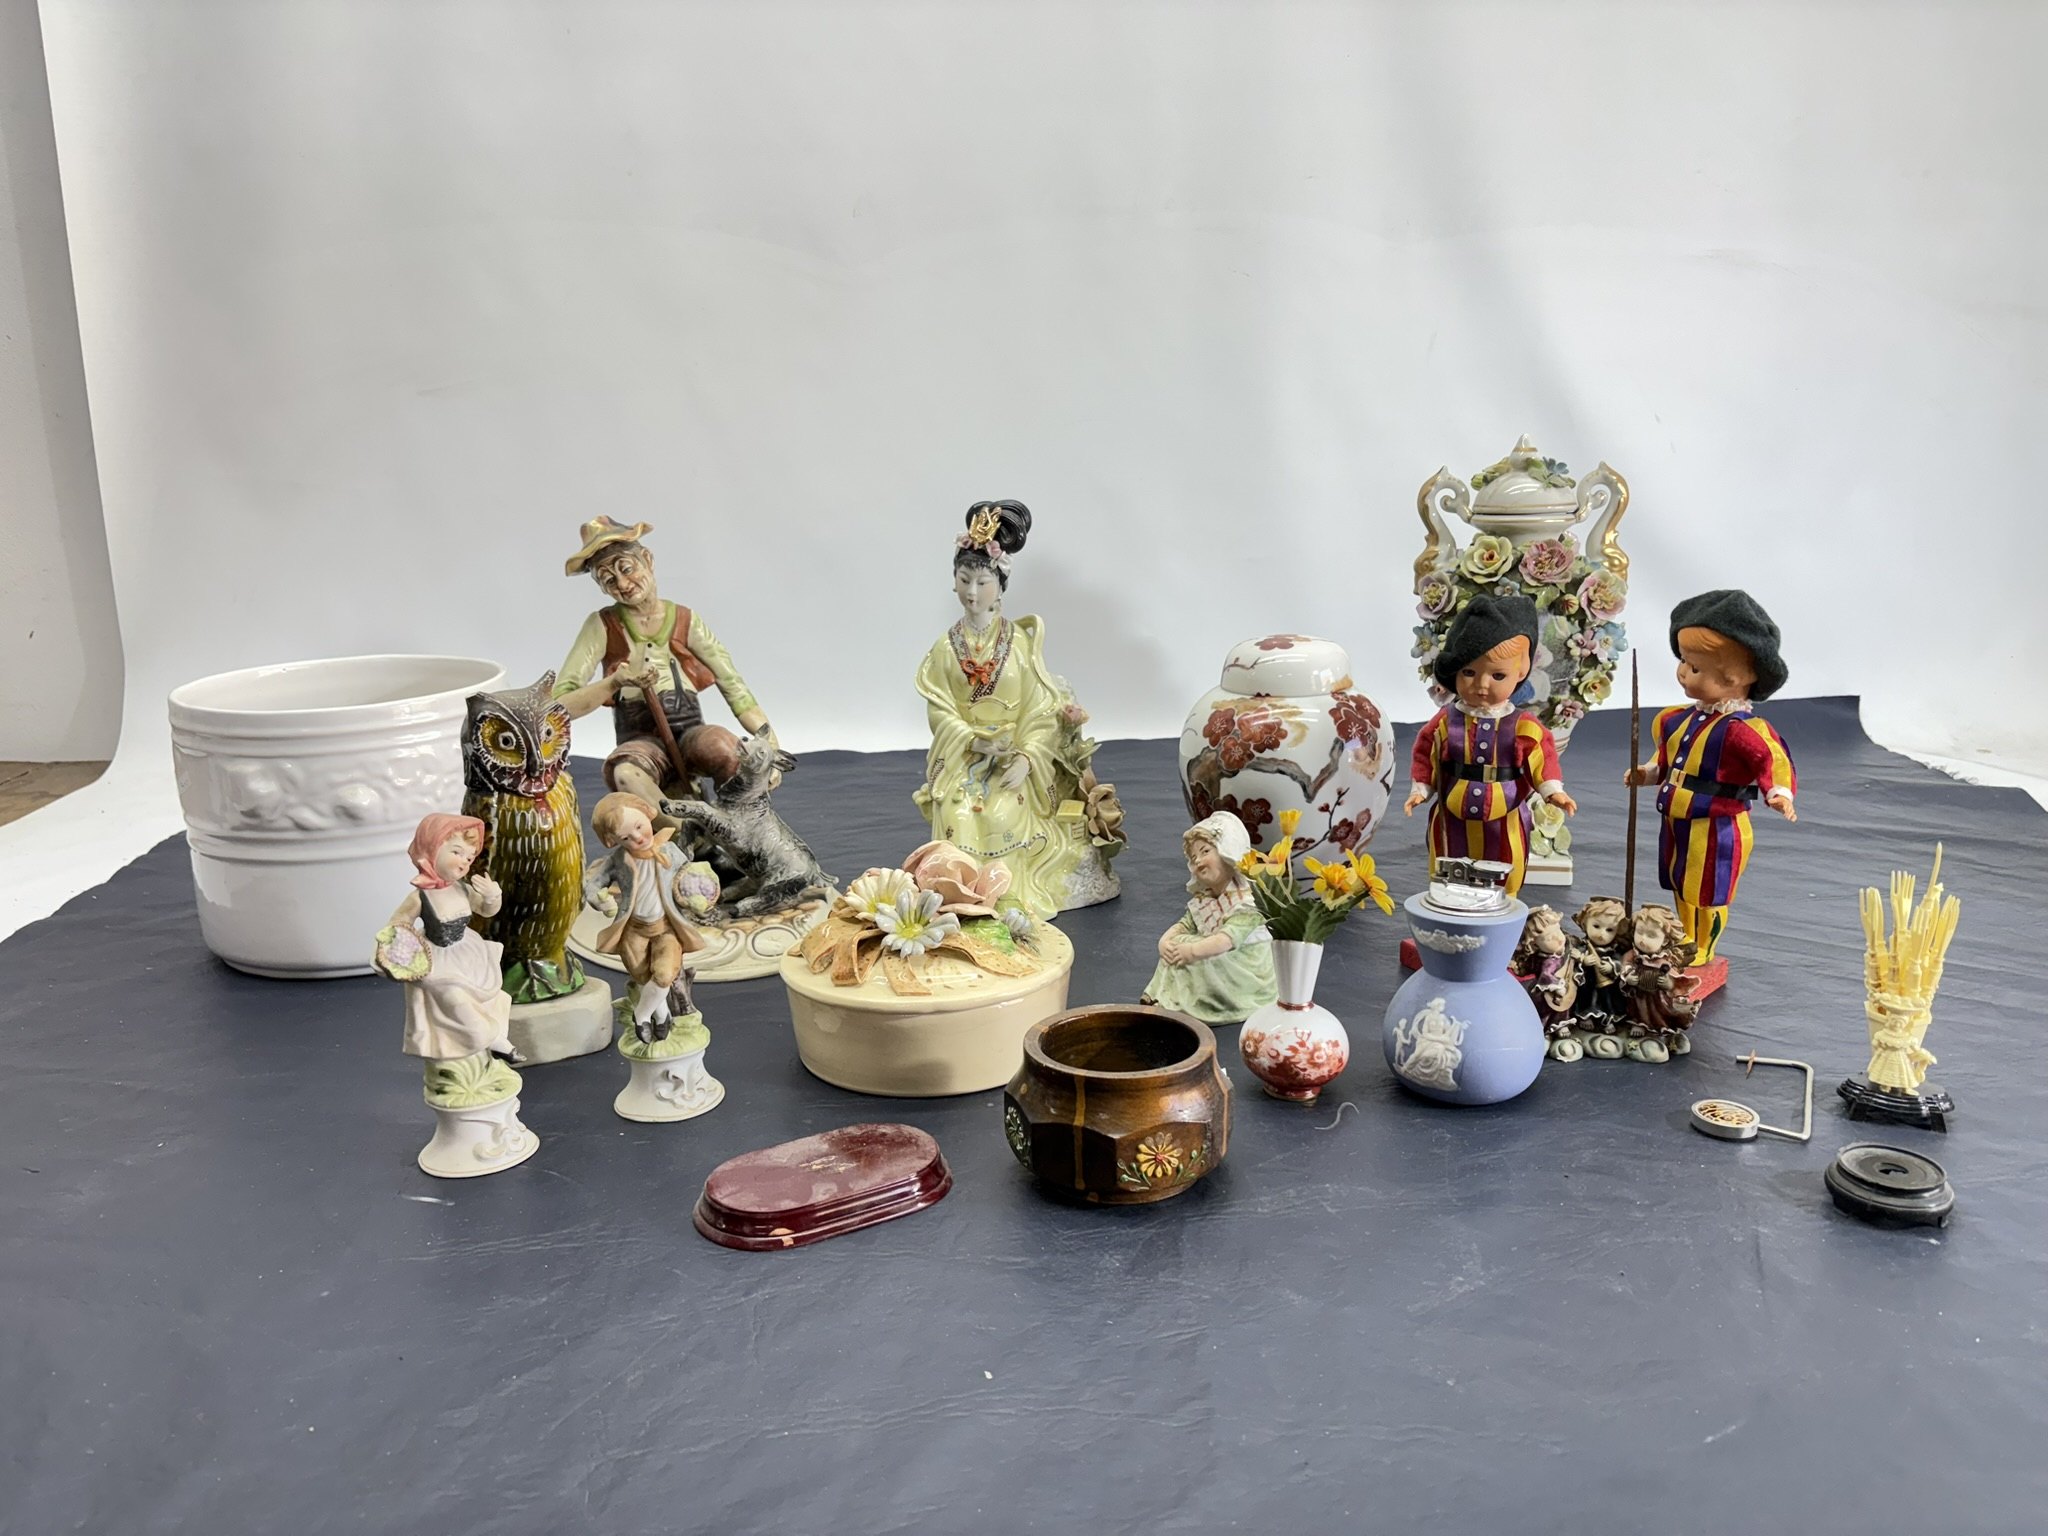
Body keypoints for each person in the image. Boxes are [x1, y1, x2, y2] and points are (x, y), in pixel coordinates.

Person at [913, 501, 1120, 916]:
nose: (973, 592)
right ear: (954, 583)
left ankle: (1006, 896)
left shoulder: (1020, 644)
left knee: (1002, 813)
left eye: (983, 581)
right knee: (959, 814)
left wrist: (1026, 758)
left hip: (1012, 759)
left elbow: (1039, 710)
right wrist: (971, 740)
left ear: (1001, 585)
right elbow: (940, 710)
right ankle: (963, 899)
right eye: (964, 580)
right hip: (966, 758)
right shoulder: (945, 648)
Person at [553, 517, 784, 817]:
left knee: (725, 748)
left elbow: (733, 685)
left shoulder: (686, 620)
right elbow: (561, 705)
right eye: (609, 580)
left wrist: (770, 742)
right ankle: (682, 831)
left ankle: (740, 825)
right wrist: (614, 682)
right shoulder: (601, 626)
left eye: (626, 568)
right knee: (626, 772)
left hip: (691, 733)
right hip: (640, 741)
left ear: (647, 560)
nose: (623, 584)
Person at [1624, 589, 1796, 964]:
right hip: (1676, 818)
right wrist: (1647, 773)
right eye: (1683, 662)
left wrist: (1779, 793)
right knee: (1680, 883)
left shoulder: (1742, 730)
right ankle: (1685, 937)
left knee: (1709, 891)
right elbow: (1666, 760)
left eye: (1697, 669)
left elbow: (1772, 759)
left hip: (1717, 825)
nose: (1683, 673)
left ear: (1739, 677)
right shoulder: (1673, 719)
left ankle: (1705, 946)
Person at [1404, 592, 1576, 896]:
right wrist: (1421, 789)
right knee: (1449, 864)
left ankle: (1502, 906)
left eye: (1498, 675)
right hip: (1452, 818)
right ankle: (1451, 902)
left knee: (1505, 864)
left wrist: (1552, 791)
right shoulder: (1445, 722)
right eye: (1469, 672)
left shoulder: (1523, 726)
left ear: (1521, 671)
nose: (1482, 685)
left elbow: (1543, 757)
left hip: (1503, 819)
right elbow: (1426, 753)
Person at [376, 813, 518, 1064]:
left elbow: (486, 911)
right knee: (454, 997)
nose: (464, 862)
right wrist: (397, 952)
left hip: (467, 952)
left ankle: (486, 1045)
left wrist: (492, 896)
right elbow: (398, 925)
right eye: (456, 852)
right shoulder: (421, 897)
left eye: (469, 858)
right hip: (439, 957)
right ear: (432, 849)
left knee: (487, 996)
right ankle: (488, 1038)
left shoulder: (462, 889)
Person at [582, 791, 708, 1041]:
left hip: (665, 929)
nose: (638, 838)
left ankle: (641, 1015)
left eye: (639, 827)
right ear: (613, 841)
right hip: (634, 930)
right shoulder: (619, 860)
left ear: (648, 814)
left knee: (664, 975)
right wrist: (601, 900)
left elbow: (690, 876)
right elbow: (593, 885)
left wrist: (698, 894)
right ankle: (661, 1017)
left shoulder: (670, 851)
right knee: (642, 976)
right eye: (626, 837)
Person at [1141, 813, 1279, 1024]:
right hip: (1215, 951)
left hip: (1243, 969)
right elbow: (1185, 924)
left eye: (1205, 851)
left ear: (1228, 852)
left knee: (1201, 953)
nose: (1198, 861)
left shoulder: (1246, 903)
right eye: (1193, 857)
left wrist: (1191, 951)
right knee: (1177, 943)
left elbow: (1225, 941)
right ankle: (1164, 996)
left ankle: (1201, 1004)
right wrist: (1164, 942)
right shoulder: (1205, 900)